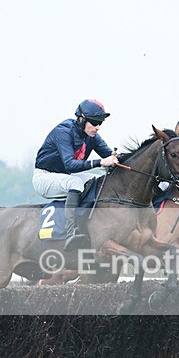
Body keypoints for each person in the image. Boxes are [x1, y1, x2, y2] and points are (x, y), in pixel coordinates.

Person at [33, 99, 120, 251]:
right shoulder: (63, 132)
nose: (97, 127)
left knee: (97, 179)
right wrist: (100, 162)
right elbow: (70, 164)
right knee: (76, 184)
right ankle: (71, 232)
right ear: (81, 119)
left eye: (100, 123)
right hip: (45, 177)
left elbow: (110, 158)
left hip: (67, 176)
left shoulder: (92, 136)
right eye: (94, 122)